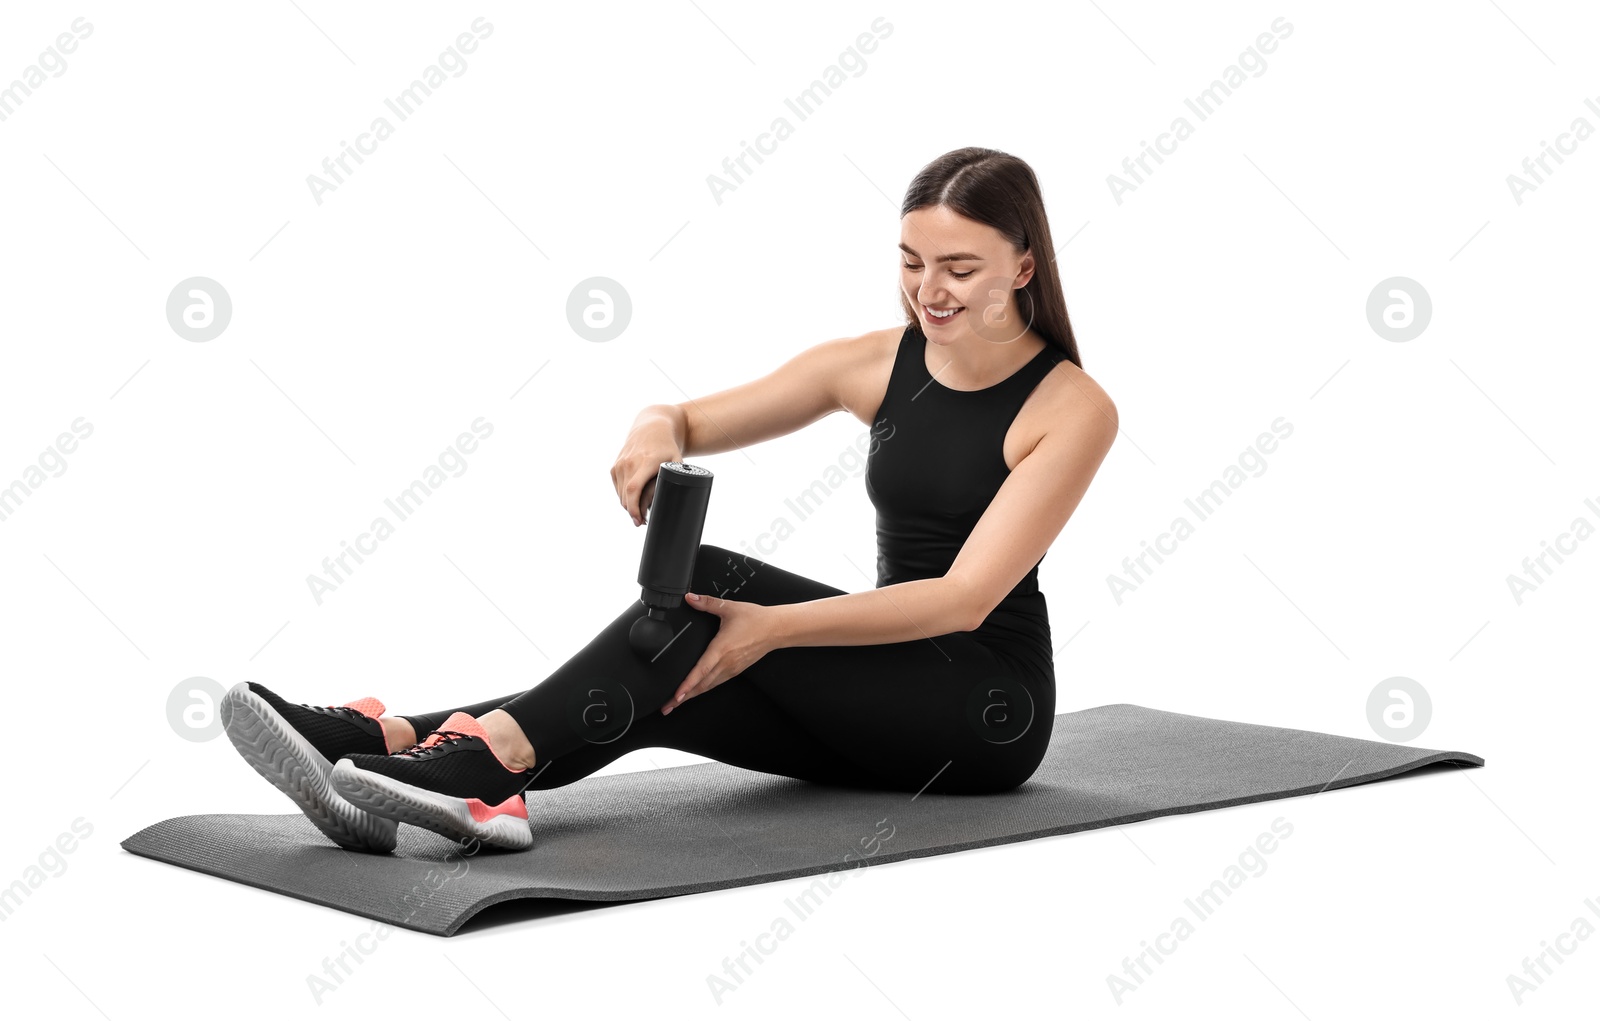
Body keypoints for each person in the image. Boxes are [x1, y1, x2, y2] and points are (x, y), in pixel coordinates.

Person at [221, 146, 1119, 853]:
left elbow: (965, 598)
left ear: (1025, 264)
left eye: (960, 268)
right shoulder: (876, 362)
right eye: (912, 261)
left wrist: (772, 626)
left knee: (712, 583)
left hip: (982, 715)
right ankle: (401, 759)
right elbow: (688, 417)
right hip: (873, 696)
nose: (929, 290)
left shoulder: (1070, 407)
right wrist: (654, 429)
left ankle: (467, 758)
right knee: (672, 679)